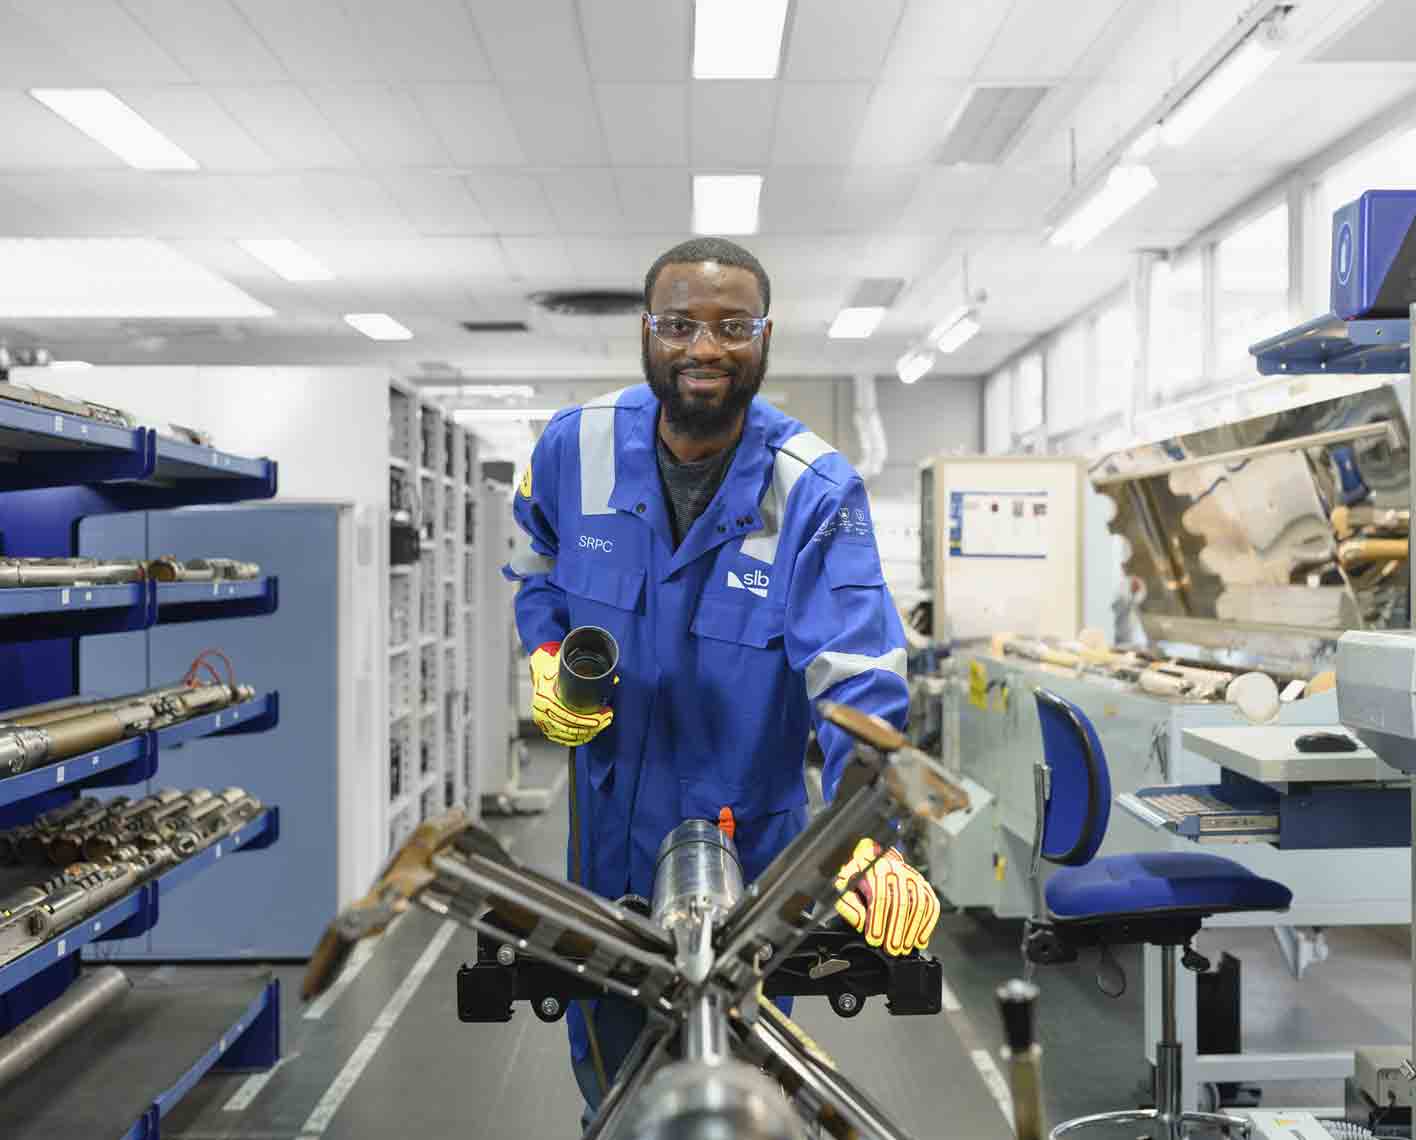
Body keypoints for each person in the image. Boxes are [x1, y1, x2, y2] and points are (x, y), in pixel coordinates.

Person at [504, 236, 940, 1125]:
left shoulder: (815, 490)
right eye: (680, 325)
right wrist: (550, 658)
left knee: (743, 1086)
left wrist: (871, 836)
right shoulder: (571, 446)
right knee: (613, 1086)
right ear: (645, 332)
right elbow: (535, 565)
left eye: (732, 326)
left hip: (753, 848)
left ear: (766, 337)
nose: (705, 349)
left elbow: (857, 676)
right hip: (607, 840)